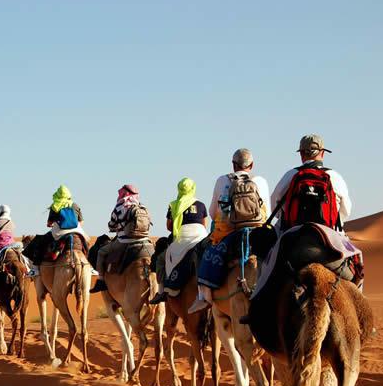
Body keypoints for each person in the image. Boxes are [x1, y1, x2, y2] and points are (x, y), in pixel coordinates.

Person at [189, 148, 271, 312]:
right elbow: (268, 212)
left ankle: (203, 296)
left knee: (203, 251)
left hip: (229, 232)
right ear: (252, 165)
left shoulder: (222, 180)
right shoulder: (260, 181)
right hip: (259, 232)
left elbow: (213, 213)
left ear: (233, 165)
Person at [270, 134, 351, 233]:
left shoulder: (290, 175)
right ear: (322, 153)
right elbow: (346, 210)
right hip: (329, 230)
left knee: (271, 246)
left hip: (293, 230)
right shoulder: (335, 176)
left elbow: (275, 203)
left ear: (301, 154)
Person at [150, 178, 208, 303]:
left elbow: (169, 226)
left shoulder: (173, 205)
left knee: (161, 259)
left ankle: (161, 292)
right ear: (193, 188)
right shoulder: (201, 204)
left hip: (183, 237)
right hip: (201, 236)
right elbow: (204, 225)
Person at [90, 184, 149, 293]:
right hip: (145, 241)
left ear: (124, 193)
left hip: (124, 241)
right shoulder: (142, 207)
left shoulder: (121, 206)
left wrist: (116, 227)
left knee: (101, 252)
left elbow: (112, 225)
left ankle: (101, 280)